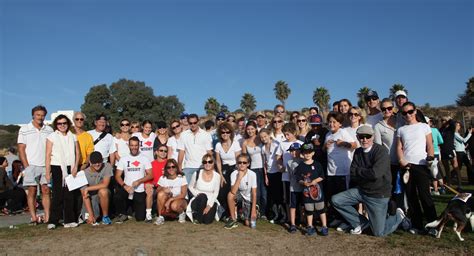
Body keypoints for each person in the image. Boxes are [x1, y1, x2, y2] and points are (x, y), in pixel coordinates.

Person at [332, 125, 410, 237]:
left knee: (379, 233)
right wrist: (366, 172)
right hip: (362, 191)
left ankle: (398, 216)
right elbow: (353, 173)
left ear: (373, 137)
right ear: (357, 137)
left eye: (367, 136)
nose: (364, 140)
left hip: (378, 194)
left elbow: (376, 174)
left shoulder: (381, 151)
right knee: (336, 200)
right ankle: (361, 223)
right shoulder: (358, 152)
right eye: (361, 137)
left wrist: (361, 171)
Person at [396, 102, 437, 234]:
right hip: (407, 166)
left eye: (410, 111)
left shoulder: (424, 126)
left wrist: (430, 158)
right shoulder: (401, 129)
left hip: (421, 164)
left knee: (425, 195)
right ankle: (417, 224)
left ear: (415, 111)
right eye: (404, 113)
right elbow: (399, 147)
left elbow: (430, 145)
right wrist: (402, 160)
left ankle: (433, 225)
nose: (408, 115)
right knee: (411, 196)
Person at [17, 105, 53, 225]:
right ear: (33, 115)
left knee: (46, 190)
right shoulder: (24, 129)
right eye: (38, 115)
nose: (40, 117)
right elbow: (21, 148)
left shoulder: (49, 130)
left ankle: (47, 217)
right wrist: (27, 166)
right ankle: (33, 217)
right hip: (31, 165)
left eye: (42, 115)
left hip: (45, 165)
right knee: (31, 191)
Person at [45, 114, 81, 229]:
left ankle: (69, 220)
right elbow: (47, 155)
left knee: (69, 195)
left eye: (64, 123)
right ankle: (53, 221)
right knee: (57, 195)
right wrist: (47, 171)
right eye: (59, 123)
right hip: (57, 167)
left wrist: (75, 166)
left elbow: (78, 153)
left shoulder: (73, 136)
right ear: (56, 124)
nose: (62, 125)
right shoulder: (52, 136)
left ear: (68, 124)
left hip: (71, 167)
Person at [324, 111, 357, 227]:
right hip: (331, 171)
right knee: (333, 197)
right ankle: (337, 218)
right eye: (330, 122)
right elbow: (325, 150)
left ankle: (348, 221)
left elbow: (354, 145)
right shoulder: (328, 135)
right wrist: (325, 146)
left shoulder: (344, 132)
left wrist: (343, 143)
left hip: (343, 171)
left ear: (340, 124)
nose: (331, 124)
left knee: (344, 198)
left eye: (334, 122)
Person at [115, 136, 153, 223]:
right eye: (132, 145)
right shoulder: (124, 159)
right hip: (127, 188)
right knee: (118, 196)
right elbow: (117, 176)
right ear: (129, 146)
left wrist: (139, 181)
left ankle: (131, 209)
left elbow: (150, 175)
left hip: (139, 189)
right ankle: (123, 214)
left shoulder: (144, 158)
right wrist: (125, 186)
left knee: (140, 218)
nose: (134, 147)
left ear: (139, 145)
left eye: (136, 145)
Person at [296, 143, 328, 236]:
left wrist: (315, 181)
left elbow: (322, 176)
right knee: (309, 210)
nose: (307, 154)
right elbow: (298, 179)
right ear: (302, 154)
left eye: (309, 152)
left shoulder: (317, 164)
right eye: (305, 152)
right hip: (307, 192)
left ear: (313, 153)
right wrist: (303, 183)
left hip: (318, 192)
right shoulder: (300, 166)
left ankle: (324, 226)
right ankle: (310, 226)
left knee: (321, 209)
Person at [374, 98, 401, 208]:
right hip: (389, 164)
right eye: (384, 109)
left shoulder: (401, 121)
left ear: (393, 108)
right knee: (392, 191)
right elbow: (379, 148)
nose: (387, 111)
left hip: (404, 162)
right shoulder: (378, 126)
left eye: (389, 108)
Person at [277, 123, 303, 224]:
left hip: (299, 176)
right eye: (285, 134)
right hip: (286, 176)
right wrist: (280, 165)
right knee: (287, 198)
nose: (286, 137)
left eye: (288, 134)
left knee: (300, 198)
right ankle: (289, 218)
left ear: (294, 133)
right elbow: (278, 157)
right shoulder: (282, 144)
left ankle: (301, 218)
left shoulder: (300, 143)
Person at [215, 122, 241, 219]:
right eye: (223, 132)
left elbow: (239, 159)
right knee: (222, 193)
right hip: (224, 170)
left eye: (227, 132)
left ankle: (235, 213)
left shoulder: (235, 143)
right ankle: (226, 212)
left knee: (234, 192)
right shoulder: (218, 145)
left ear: (230, 133)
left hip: (235, 169)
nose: (225, 134)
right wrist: (220, 175)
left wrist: (239, 174)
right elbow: (218, 161)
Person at [177, 114, 213, 184]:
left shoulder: (206, 135)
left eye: (195, 122)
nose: (193, 125)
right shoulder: (183, 135)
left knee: (201, 190)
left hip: (203, 166)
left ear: (198, 122)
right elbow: (181, 152)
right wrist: (179, 168)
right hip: (188, 167)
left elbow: (209, 152)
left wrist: (211, 167)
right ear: (188, 123)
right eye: (190, 123)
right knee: (187, 191)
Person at [224, 154, 257, 229]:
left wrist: (253, 210)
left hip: (248, 198)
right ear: (237, 163)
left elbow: (254, 193)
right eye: (239, 162)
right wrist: (239, 178)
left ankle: (247, 212)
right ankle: (233, 219)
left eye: (244, 163)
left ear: (248, 164)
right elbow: (233, 191)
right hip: (239, 195)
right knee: (230, 195)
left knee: (248, 224)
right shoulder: (234, 174)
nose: (242, 164)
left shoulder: (253, 174)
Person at [187, 154, 221, 224]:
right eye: (205, 162)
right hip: (198, 199)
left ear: (213, 163)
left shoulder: (217, 176)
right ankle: (198, 218)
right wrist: (198, 194)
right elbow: (190, 187)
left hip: (210, 200)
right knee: (203, 196)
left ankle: (200, 216)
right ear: (202, 163)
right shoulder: (197, 173)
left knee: (207, 221)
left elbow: (216, 192)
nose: (207, 164)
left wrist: (209, 206)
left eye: (210, 162)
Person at [80, 151, 113, 225]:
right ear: (90, 162)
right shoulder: (84, 173)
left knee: (103, 191)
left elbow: (105, 184)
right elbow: (84, 194)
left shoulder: (107, 166)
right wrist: (91, 215)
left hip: (102, 195)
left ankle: (105, 217)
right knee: (89, 219)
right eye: (95, 162)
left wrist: (88, 188)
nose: (97, 164)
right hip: (90, 197)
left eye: (99, 162)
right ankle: (90, 214)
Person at [259, 128, 285, 223]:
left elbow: (280, 158)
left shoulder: (277, 144)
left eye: (265, 136)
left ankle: (283, 215)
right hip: (269, 174)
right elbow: (264, 163)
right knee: (272, 195)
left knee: (279, 195)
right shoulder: (262, 148)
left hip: (278, 173)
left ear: (269, 135)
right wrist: (266, 175)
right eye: (261, 137)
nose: (263, 138)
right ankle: (275, 214)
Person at [242, 121, 266, 218]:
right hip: (253, 169)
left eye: (252, 128)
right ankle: (256, 211)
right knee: (256, 192)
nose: (250, 131)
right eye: (248, 129)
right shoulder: (245, 142)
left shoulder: (261, 139)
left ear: (256, 129)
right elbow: (244, 158)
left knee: (264, 192)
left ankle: (264, 212)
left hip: (263, 169)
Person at [155, 159, 188, 225]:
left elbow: (183, 194)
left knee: (174, 206)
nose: (171, 169)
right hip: (167, 198)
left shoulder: (181, 177)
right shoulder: (163, 177)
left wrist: (170, 200)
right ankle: (160, 216)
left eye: (173, 167)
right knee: (160, 194)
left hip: (180, 199)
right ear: (166, 169)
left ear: (176, 168)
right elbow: (157, 191)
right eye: (168, 167)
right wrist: (163, 189)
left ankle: (181, 213)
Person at [144, 144, 168, 222]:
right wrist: (147, 185)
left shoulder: (169, 163)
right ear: (156, 152)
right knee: (149, 190)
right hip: (154, 186)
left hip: (166, 187)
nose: (163, 152)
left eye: (165, 151)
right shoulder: (151, 164)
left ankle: (161, 214)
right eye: (161, 150)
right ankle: (148, 215)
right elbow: (148, 178)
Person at [287, 143, 303, 233]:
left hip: (303, 187)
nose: (293, 153)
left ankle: (302, 221)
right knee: (293, 206)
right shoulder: (289, 163)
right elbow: (290, 176)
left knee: (302, 205)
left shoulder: (303, 161)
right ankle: (293, 224)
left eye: (295, 150)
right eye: (291, 151)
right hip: (293, 188)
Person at [439, 116, 460, 187]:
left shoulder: (451, 128)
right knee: (446, 168)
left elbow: (453, 124)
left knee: (455, 167)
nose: (443, 122)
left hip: (450, 150)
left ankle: (459, 185)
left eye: (444, 120)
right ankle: (449, 183)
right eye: (442, 120)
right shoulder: (441, 130)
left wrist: (449, 119)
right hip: (443, 151)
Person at [427, 117, 445, 195]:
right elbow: (441, 141)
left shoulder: (423, 131)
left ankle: (435, 189)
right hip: (436, 152)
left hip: (428, 153)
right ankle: (441, 188)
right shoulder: (435, 130)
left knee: (431, 171)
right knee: (436, 170)